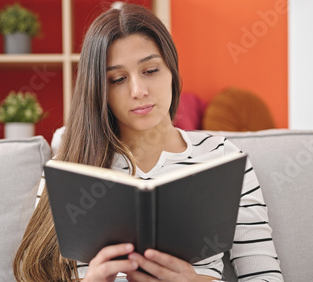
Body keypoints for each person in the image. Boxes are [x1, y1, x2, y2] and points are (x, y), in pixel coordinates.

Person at [14, 3, 283, 282]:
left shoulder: (222, 158)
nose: (138, 91)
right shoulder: (68, 169)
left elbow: (266, 278)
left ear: (172, 71)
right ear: (99, 91)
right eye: (117, 79)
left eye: (151, 70)